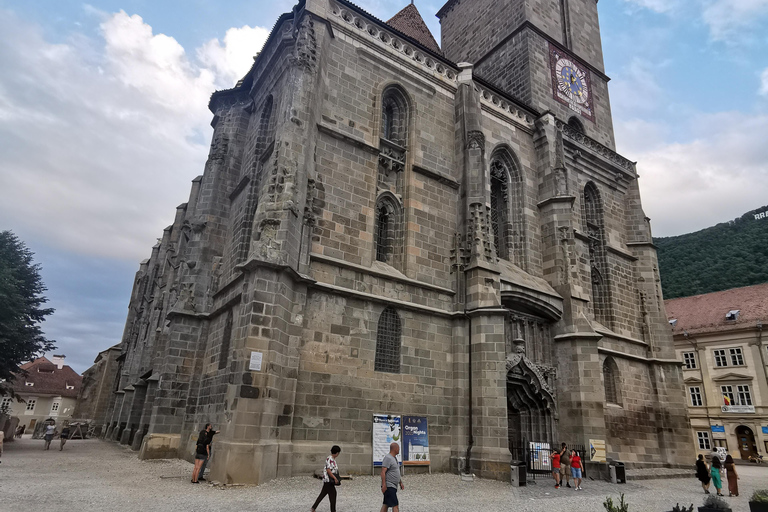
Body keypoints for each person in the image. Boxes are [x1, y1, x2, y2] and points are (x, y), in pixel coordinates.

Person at [311, 445, 341, 512]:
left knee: (323, 494)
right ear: (337, 453)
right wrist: (335, 478)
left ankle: (313, 507)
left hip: (328, 480)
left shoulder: (332, 459)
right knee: (333, 495)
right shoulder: (330, 459)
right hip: (328, 480)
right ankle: (333, 510)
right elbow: (328, 470)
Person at [380, 442, 405, 512]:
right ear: (395, 449)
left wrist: (400, 482)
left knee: (386, 504)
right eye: (398, 448)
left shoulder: (394, 459)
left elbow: (396, 471)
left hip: (393, 485)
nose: (399, 450)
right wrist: (384, 484)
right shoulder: (388, 458)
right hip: (389, 485)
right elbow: (383, 472)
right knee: (395, 504)